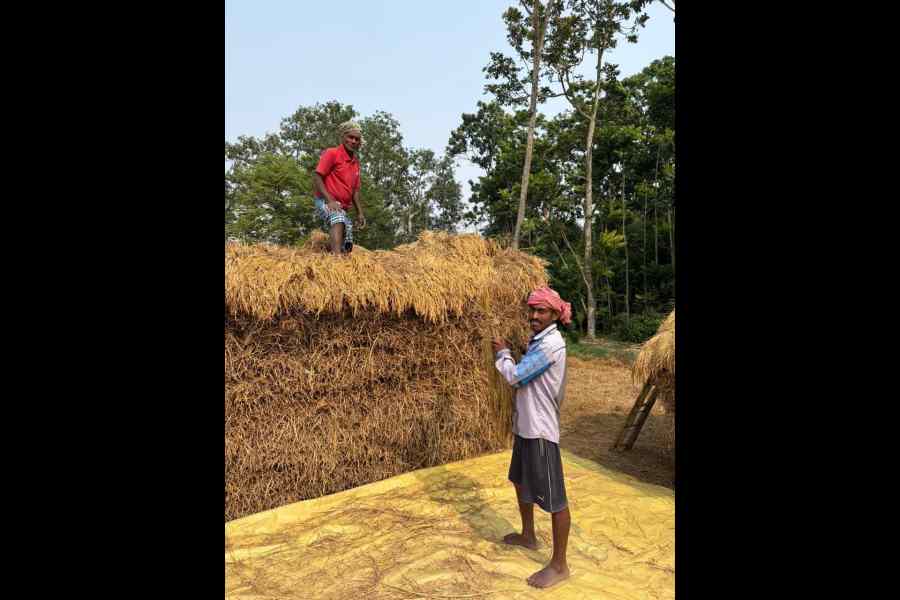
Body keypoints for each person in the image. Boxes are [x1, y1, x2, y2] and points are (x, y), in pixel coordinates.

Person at [492, 286, 573, 589]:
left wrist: (502, 353)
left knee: (555, 500)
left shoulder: (550, 345)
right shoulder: (539, 341)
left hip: (540, 431)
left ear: (554, 314)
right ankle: (528, 536)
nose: (534, 316)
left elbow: (515, 376)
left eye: (541, 311)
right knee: (520, 480)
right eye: (533, 310)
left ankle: (560, 565)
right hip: (525, 426)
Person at [312, 121, 367, 255]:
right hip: (325, 201)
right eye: (350, 137)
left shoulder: (355, 164)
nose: (353, 141)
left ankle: (339, 254)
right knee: (338, 218)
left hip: (342, 207)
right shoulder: (332, 153)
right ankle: (336, 262)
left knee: (347, 237)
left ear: (359, 143)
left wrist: (360, 213)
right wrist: (330, 200)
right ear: (343, 137)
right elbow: (317, 176)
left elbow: (354, 191)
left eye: (356, 139)